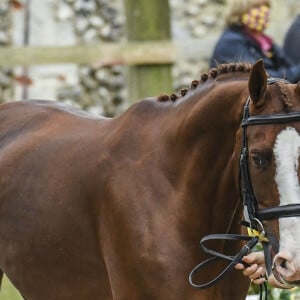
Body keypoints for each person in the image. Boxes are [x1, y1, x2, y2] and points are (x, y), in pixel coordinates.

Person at [210, 0, 300, 83]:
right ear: (240, 11)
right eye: (257, 7)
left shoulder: (266, 43)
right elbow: (258, 77)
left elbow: (289, 66)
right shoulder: (231, 43)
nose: (263, 11)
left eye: (266, 6)